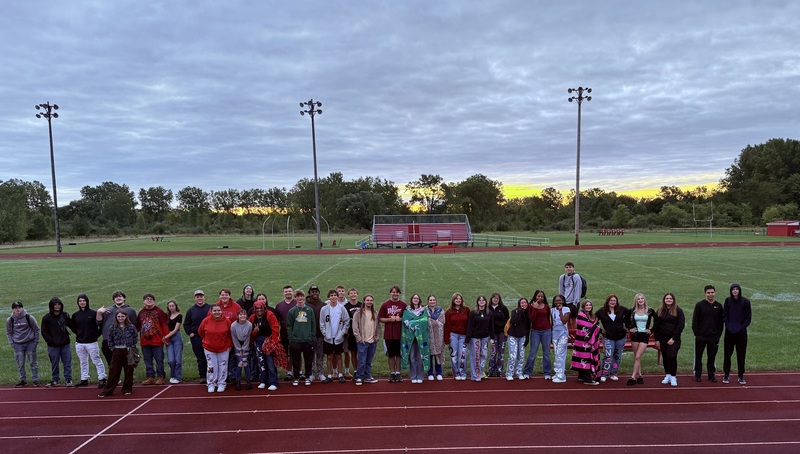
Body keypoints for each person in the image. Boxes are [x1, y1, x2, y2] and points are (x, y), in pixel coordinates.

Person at [70, 294, 107, 388]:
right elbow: (74, 328)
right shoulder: (75, 315)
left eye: (84, 301)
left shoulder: (93, 313)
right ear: (78, 303)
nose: (82, 302)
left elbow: (101, 326)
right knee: (83, 361)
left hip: (92, 342)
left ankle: (102, 378)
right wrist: (79, 334)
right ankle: (84, 379)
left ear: (87, 302)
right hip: (80, 343)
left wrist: (95, 335)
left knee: (97, 360)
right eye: (80, 301)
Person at [98, 311, 138, 398]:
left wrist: (131, 346)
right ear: (116, 317)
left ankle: (127, 389)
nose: (120, 318)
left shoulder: (131, 327)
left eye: (122, 316)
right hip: (117, 350)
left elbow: (135, 337)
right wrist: (113, 348)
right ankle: (108, 390)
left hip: (128, 350)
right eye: (119, 316)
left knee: (128, 370)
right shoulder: (113, 327)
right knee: (114, 371)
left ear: (126, 317)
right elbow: (109, 339)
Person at [692, 285, 723, 383]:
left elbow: (721, 322)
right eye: (708, 293)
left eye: (712, 292)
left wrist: (718, 335)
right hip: (701, 336)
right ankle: (698, 375)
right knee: (698, 356)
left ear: (715, 293)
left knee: (712, 356)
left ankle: (711, 375)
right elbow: (695, 321)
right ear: (705, 293)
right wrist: (697, 333)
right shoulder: (700, 305)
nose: (710, 294)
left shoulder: (718, 306)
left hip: (713, 336)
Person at [96, 290, 137, 365]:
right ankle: (113, 376)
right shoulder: (108, 310)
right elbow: (100, 323)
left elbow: (134, 326)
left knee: (127, 364)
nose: (118, 298)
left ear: (124, 298)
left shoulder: (131, 310)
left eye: (120, 296)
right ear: (113, 299)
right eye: (116, 297)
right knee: (112, 363)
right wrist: (99, 312)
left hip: (124, 341)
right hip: (108, 340)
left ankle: (128, 377)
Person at [198, 305, 233, 393]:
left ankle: (221, 383)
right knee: (211, 366)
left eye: (218, 310)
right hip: (209, 348)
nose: (217, 312)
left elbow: (230, 334)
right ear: (211, 311)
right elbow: (201, 332)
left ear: (221, 311)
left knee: (223, 366)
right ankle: (211, 383)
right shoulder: (206, 321)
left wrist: (229, 346)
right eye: (214, 311)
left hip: (223, 348)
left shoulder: (227, 321)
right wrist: (208, 341)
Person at [137, 293, 170, 385]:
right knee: (147, 359)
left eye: (151, 299)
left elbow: (164, 326)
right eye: (147, 299)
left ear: (154, 300)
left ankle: (160, 376)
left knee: (159, 359)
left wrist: (166, 338)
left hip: (157, 340)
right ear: (144, 301)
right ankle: (150, 376)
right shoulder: (141, 312)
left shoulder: (159, 312)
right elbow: (138, 326)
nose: (149, 300)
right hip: (145, 341)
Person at [653, 293, 685, 387]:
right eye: (667, 298)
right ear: (664, 300)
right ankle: (667, 375)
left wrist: (674, 338)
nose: (669, 300)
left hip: (674, 338)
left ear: (673, 300)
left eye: (671, 298)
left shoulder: (678, 310)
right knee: (666, 357)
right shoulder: (660, 311)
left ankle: (673, 376)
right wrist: (657, 339)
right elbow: (656, 326)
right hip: (662, 338)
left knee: (672, 356)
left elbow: (680, 325)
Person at [6, 301, 41, 387]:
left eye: (19, 307)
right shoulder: (10, 320)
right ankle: (23, 379)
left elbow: (36, 329)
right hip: (18, 344)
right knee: (20, 363)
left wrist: (35, 341)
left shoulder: (29, 317)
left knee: (33, 362)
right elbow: (9, 332)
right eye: (15, 308)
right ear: (13, 309)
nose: (17, 309)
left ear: (22, 308)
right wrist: (12, 342)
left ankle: (35, 379)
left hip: (30, 343)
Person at [722, 283, 752, 385]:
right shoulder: (728, 301)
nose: (735, 291)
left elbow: (748, 318)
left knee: (741, 355)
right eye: (733, 289)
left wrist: (742, 327)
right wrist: (728, 325)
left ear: (739, 290)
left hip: (741, 333)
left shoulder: (745, 302)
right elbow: (724, 315)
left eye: (736, 289)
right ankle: (726, 374)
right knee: (727, 354)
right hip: (729, 333)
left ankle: (741, 375)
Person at [595, 294, 628, 383]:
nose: (613, 302)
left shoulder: (622, 309)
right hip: (609, 337)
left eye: (614, 301)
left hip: (621, 337)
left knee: (617, 356)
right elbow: (593, 320)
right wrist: (600, 330)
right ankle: (604, 374)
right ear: (607, 302)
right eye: (611, 301)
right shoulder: (601, 311)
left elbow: (630, 316)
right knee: (608, 356)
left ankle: (613, 373)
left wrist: (627, 325)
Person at [320, 289, 351, 383]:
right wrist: (325, 333)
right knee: (329, 356)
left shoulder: (341, 308)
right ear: (329, 297)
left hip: (338, 337)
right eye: (331, 295)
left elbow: (347, 321)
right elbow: (321, 323)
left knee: (338, 356)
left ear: (337, 297)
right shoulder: (324, 309)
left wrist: (342, 333)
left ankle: (340, 374)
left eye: (335, 295)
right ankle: (330, 375)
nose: (333, 297)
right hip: (328, 337)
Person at [41, 297, 73, 387]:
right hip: (53, 345)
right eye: (55, 305)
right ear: (52, 306)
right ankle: (55, 380)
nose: (57, 306)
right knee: (54, 363)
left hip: (65, 343)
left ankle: (68, 379)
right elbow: (44, 331)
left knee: (67, 362)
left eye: (59, 304)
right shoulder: (46, 318)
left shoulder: (65, 316)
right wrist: (50, 340)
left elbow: (72, 326)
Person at [250, 299, 281, 390]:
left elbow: (275, 329)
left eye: (261, 308)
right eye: (257, 308)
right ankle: (263, 380)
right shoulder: (252, 318)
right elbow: (249, 333)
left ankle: (274, 382)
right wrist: (254, 332)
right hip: (258, 341)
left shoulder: (270, 315)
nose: (259, 310)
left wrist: (274, 342)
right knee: (261, 362)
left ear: (264, 308)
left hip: (269, 340)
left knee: (270, 362)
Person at [287, 289, 316, 386]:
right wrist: (291, 338)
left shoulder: (309, 310)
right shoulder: (292, 311)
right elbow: (289, 326)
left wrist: (312, 336)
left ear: (304, 298)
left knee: (308, 360)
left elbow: (313, 324)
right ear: (295, 298)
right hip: (296, 340)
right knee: (296, 360)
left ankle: (308, 376)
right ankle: (296, 377)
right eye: (298, 296)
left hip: (308, 340)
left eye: (301, 296)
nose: (300, 298)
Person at [378, 285, 407, 383]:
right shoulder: (385, 304)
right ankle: (392, 373)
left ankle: (398, 373)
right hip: (389, 334)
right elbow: (380, 318)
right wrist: (390, 319)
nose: (395, 294)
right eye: (393, 292)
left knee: (398, 355)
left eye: (397, 292)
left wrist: (401, 319)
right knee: (391, 355)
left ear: (399, 293)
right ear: (390, 293)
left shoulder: (403, 305)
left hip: (400, 334)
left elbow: (408, 318)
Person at [625, 293, 654, 386]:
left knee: (637, 356)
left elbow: (658, 321)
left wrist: (651, 330)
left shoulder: (649, 311)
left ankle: (633, 377)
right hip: (635, 335)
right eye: (638, 299)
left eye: (642, 298)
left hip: (644, 335)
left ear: (644, 300)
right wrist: (630, 328)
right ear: (636, 301)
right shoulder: (632, 311)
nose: (640, 300)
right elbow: (625, 320)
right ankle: (640, 375)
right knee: (637, 357)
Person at [352, 294, 381, 385]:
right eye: (367, 300)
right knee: (362, 360)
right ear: (364, 301)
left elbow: (378, 327)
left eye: (371, 300)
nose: (369, 302)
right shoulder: (358, 313)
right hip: (363, 341)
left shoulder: (375, 313)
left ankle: (367, 376)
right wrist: (359, 338)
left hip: (372, 341)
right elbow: (355, 327)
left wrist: (377, 337)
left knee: (369, 360)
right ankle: (359, 377)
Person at [184, 289, 212, 383]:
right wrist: (190, 333)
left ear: (204, 297)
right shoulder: (191, 311)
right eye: (197, 297)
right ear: (195, 298)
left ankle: (211, 375)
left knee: (210, 357)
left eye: (201, 296)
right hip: (196, 338)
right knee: (200, 358)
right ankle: (203, 376)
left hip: (209, 336)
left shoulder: (210, 308)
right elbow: (186, 324)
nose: (199, 298)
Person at [523, 290, 552, 380]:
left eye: (541, 296)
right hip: (535, 331)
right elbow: (531, 319)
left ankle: (547, 373)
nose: (540, 298)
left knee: (546, 353)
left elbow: (548, 318)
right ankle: (527, 372)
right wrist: (534, 308)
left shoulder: (546, 306)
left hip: (546, 331)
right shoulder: (530, 306)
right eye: (538, 296)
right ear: (535, 296)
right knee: (533, 353)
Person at [401, 293, 430, 384]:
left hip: (421, 337)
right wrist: (416, 322)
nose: (416, 299)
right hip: (410, 337)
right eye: (414, 298)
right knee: (412, 357)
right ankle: (413, 375)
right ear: (411, 299)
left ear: (419, 300)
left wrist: (413, 322)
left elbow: (425, 321)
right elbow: (405, 321)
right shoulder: (407, 310)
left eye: (417, 298)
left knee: (421, 356)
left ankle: (420, 376)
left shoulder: (423, 310)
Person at [571, 300, 601, 385]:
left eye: (590, 305)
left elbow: (596, 325)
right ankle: (587, 379)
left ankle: (581, 376)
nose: (588, 306)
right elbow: (586, 328)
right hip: (582, 342)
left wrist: (596, 327)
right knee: (585, 358)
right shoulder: (581, 315)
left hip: (591, 342)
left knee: (586, 357)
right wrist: (595, 327)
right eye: (586, 305)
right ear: (583, 307)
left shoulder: (593, 316)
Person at [466, 295, 493, 382]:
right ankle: (475, 375)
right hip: (475, 338)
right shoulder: (473, 313)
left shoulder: (489, 313)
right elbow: (470, 326)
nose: (481, 302)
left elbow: (491, 326)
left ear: (485, 302)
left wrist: (492, 337)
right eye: (480, 300)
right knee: (475, 357)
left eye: (483, 300)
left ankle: (480, 372)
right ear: (477, 302)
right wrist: (468, 338)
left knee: (484, 355)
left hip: (485, 337)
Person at [444, 292, 469, 380]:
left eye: (459, 299)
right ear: (453, 300)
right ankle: (456, 373)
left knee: (462, 355)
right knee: (454, 355)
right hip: (453, 335)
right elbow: (446, 325)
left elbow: (469, 324)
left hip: (463, 336)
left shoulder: (466, 310)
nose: (458, 300)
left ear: (462, 300)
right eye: (456, 299)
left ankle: (462, 372)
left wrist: (468, 336)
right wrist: (447, 339)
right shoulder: (449, 312)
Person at [275, 285, 297, 381]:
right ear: (283, 293)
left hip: (296, 333)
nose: (288, 293)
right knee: (286, 354)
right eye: (286, 291)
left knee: (295, 353)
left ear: (293, 292)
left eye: (289, 291)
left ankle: (298, 371)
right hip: (284, 333)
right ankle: (289, 372)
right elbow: (277, 321)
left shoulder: (297, 303)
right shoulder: (279, 305)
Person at [505, 297, 530, 381]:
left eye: (525, 303)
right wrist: (519, 312)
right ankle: (509, 373)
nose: (524, 304)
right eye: (522, 303)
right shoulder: (515, 311)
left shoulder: (528, 314)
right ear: (519, 304)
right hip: (513, 336)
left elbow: (528, 328)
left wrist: (527, 340)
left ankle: (519, 372)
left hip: (522, 337)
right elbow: (514, 321)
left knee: (521, 356)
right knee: (513, 356)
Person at [305, 285, 326, 382]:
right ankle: (311, 373)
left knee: (320, 355)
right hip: (309, 336)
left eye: (316, 291)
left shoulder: (323, 305)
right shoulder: (306, 305)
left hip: (320, 335)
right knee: (310, 356)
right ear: (309, 293)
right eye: (313, 292)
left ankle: (320, 373)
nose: (315, 293)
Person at [230, 309, 253, 391]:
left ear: (246, 316)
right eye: (240, 314)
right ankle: (238, 381)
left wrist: (244, 349)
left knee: (246, 363)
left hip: (245, 346)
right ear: (238, 316)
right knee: (240, 363)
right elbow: (234, 338)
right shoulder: (233, 326)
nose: (242, 316)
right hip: (237, 346)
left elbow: (248, 337)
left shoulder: (249, 325)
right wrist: (239, 349)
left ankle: (249, 381)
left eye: (244, 314)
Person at [487, 292, 509, 378]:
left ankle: (499, 370)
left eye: (497, 298)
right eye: (494, 298)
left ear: (499, 300)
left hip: (502, 333)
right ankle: (491, 370)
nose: (495, 300)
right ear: (491, 299)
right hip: (492, 333)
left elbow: (507, 320)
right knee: (493, 352)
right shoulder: (488, 308)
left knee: (501, 352)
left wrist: (506, 332)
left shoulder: (503, 308)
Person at [550, 294, 571, 383]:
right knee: (556, 353)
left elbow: (564, 321)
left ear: (563, 301)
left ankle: (561, 375)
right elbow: (551, 323)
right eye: (556, 301)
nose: (558, 302)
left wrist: (560, 311)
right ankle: (557, 372)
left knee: (561, 354)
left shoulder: (567, 309)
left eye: (559, 300)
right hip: (555, 333)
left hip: (563, 333)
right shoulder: (552, 310)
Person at [342, 287, 362, 380]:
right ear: (348, 295)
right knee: (353, 352)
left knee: (362, 353)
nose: (353, 295)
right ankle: (356, 371)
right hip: (351, 333)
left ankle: (363, 371)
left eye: (355, 293)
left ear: (357, 294)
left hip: (361, 332)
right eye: (351, 293)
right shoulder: (345, 307)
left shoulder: (362, 305)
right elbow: (344, 320)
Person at [163, 299, 183, 384]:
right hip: (168, 339)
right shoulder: (166, 316)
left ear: (176, 306)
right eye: (170, 306)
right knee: (171, 360)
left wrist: (165, 337)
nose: (171, 307)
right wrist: (166, 339)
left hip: (176, 337)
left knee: (178, 359)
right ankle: (172, 375)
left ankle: (178, 377)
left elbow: (175, 329)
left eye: (173, 306)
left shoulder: (179, 316)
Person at [426, 295, 445, 381]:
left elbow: (442, 321)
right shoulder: (424, 310)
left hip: (439, 335)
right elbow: (426, 321)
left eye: (434, 300)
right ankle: (430, 373)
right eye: (430, 300)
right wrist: (435, 322)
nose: (432, 301)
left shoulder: (440, 310)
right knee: (429, 354)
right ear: (428, 301)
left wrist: (432, 321)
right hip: (428, 335)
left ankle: (439, 372)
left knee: (438, 353)